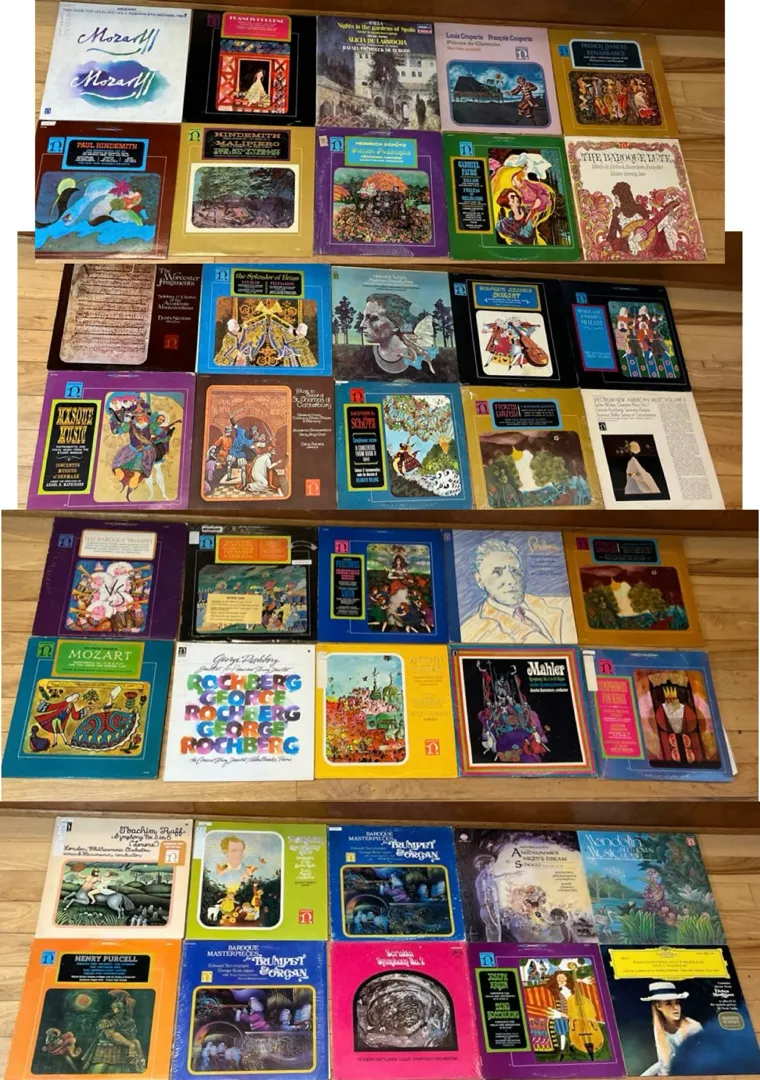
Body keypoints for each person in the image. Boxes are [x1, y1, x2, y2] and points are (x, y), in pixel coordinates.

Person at [460, 537, 570, 644]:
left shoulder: (564, 605)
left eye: (515, 571)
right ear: (480, 580)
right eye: (498, 572)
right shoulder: (471, 633)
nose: (512, 580)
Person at [640, 981, 702, 1075]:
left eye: (677, 1002)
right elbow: (664, 1063)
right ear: (658, 1006)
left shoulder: (693, 1028)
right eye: (668, 1003)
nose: (676, 1007)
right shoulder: (659, 1028)